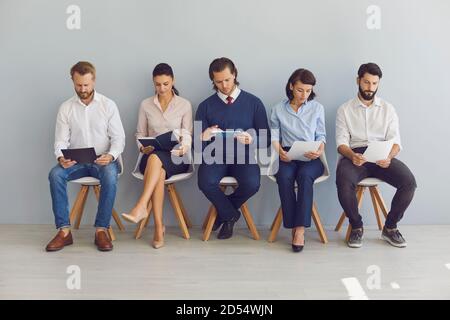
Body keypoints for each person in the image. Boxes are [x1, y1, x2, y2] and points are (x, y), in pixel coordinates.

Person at [46, 61, 125, 252]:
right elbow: (60, 141)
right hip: (76, 160)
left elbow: (118, 138)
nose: (83, 89)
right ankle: (64, 232)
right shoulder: (66, 108)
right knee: (55, 174)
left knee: (109, 175)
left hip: (103, 160)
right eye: (78, 85)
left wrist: (111, 155)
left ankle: (101, 230)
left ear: (94, 81)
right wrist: (60, 157)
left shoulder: (108, 105)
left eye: (86, 85)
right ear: (73, 81)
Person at [335, 62, 417, 248]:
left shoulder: (388, 109)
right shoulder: (344, 109)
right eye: (366, 82)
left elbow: (396, 141)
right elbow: (341, 143)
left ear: (378, 84)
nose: (370, 88)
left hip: (382, 155)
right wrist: (351, 155)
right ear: (358, 81)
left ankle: (390, 228)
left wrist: (389, 156)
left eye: (374, 83)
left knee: (409, 182)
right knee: (343, 181)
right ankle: (356, 227)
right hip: (355, 155)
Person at [196, 57, 270, 240]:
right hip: (214, 157)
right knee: (205, 182)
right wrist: (203, 136)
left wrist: (251, 139)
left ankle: (223, 213)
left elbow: (267, 138)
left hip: (244, 157)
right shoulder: (205, 106)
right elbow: (197, 147)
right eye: (218, 82)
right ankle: (231, 215)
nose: (224, 85)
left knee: (253, 184)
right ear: (212, 81)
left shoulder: (254, 103)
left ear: (234, 74)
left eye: (227, 80)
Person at [121, 63, 192, 249]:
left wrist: (183, 148)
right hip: (151, 155)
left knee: (157, 162)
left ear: (173, 81)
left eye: (166, 84)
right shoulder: (145, 104)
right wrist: (141, 147)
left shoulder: (184, 105)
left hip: (177, 157)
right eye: (158, 84)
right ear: (153, 83)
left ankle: (141, 207)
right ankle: (158, 227)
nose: (162, 88)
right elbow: (139, 133)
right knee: (156, 165)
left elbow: (188, 134)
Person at [270, 68, 326, 252]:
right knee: (284, 177)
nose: (304, 95)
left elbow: (321, 137)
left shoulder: (317, 108)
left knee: (304, 177)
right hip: (287, 154)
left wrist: (318, 151)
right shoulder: (278, 109)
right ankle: (292, 225)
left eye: (308, 91)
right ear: (291, 86)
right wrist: (279, 152)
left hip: (311, 156)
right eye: (300, 90)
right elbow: (274, 136)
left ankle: (300, 230)